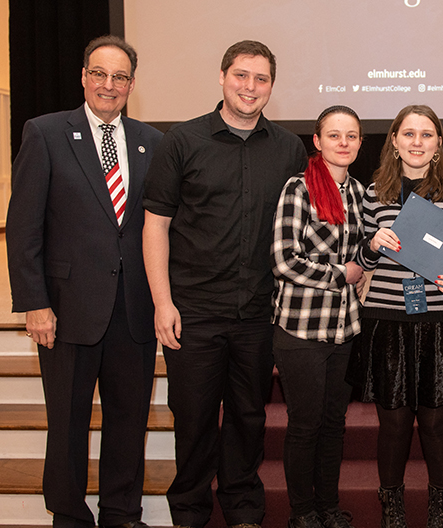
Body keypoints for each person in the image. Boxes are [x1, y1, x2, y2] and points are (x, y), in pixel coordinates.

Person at [142, 40, 307, 528]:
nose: (250, 87)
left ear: (271, 86)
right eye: (241, 76)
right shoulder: (182, 140)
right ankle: (189, 512)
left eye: (260, 79)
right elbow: (156, 225)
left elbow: (302, 227)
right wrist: (162, 303)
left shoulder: (288, 148)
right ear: (221, 77)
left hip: (259, 313)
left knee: (248, 418)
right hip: (192, 311)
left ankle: (242, 509)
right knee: (192, 421)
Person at [5, 35, 162, 528]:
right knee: (68, 423)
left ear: (132, 84)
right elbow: (23, 224)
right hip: (66, 309)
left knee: (128, 421)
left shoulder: (152, 142)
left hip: (133, 309)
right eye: (99, 73)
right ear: (83, 76)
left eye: (119, 77)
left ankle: (121, 513)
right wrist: (34, 301)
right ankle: (70, 515)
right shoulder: (46, 132)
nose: (108, 85)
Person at [346, 104, 443, 528]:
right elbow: (358, 257)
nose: (417, 142)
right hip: (387, 323)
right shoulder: (373, 195)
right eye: (409, 134)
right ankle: (393, 511)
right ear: (395, 142)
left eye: (426, 134)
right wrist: (372, 246)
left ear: (438, 144)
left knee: (438, 425)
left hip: (441, 325)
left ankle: (441, 511)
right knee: (394, 425)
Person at [270, 105, 366, 528]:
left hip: (345, 330)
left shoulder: (360, 193)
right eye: (334, 135)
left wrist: (368, 269)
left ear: (360, 143)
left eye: (351, 136)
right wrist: (341, 274)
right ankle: (302, 512)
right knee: (305, 425)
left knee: (334, 425)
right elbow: (283, 261)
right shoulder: (299, 188)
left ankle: (328, 506)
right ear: (317, 140)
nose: (343, 143)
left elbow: (364, 254)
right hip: (301, 329)